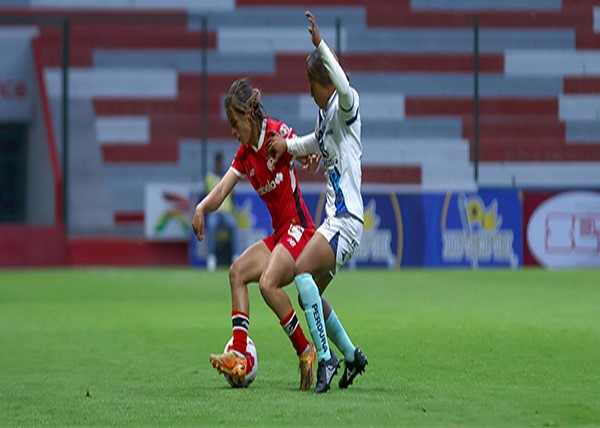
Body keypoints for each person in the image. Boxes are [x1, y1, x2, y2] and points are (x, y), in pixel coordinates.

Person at [193, 77, 328, 390]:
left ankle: (305, 351)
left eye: (233, 122)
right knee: (237, 272)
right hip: (281, 235)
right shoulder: (244, 154)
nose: (232, 130)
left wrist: (308, 156)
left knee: (267, 284)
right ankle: (239, 354)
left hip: (300, 230)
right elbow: (222, 189)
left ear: (248, 114)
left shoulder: (276, 134)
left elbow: (302, 147)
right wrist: (200, 208)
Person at [267, 10, 368, 393]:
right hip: (336, 219)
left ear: (323, 79)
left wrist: (321, 47)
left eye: (311, 83)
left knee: (301, 272)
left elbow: (343, 86)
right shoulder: (326, 116)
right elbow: (313, 142)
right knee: (313, 299)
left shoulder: (347, 104)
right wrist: (287, 146)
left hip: (345, 220)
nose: (309, 90)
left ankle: (325, 359)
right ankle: (352, 355)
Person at [204, 151, 239, 272]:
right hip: (215, 212)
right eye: (218, 162)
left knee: (234, 225)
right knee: (211, 225)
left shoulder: (228, 175)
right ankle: (212, 257)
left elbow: (232, 196)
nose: (219, 164)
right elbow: (206, 195)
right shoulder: (210, 177)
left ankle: (236, 256)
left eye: (221, 162)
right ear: (215, 163)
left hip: (227, 213)